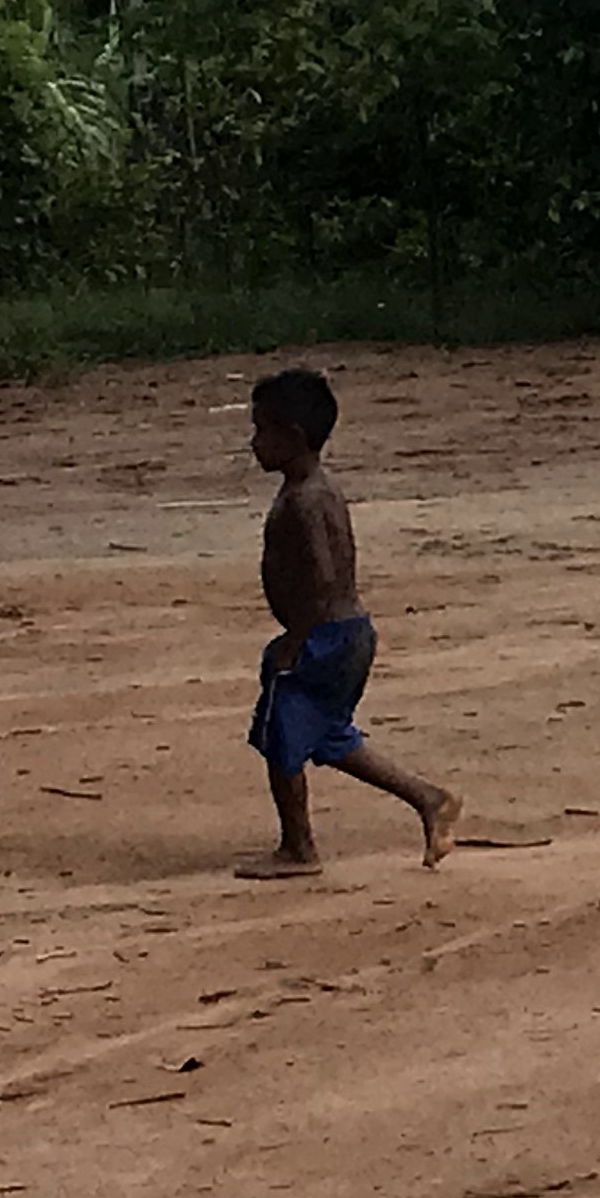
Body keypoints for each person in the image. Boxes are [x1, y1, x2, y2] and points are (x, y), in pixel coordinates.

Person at [239, 366, 460, 877]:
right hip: (345, 634)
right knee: (326, 734)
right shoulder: (316, 489)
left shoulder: (305, 499)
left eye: (261, 430)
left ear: (292, 437)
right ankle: (428, 799)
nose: (253, 443)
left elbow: (321, 573)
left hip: (324, 636)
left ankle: (298, 847)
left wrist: (297, 638)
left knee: (283, 735)